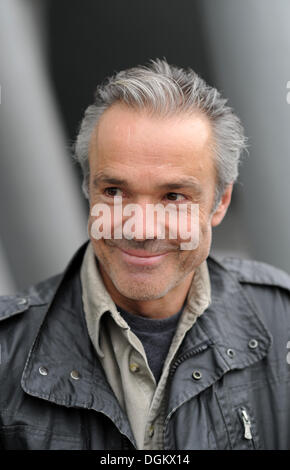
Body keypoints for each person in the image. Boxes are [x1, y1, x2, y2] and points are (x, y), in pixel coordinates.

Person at [1, 58, 290, 450]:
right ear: (88, 189)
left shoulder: (283, 319)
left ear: (220, 202)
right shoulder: (6, 349)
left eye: (173, 196)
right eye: (115, 192)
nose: (140, 229)